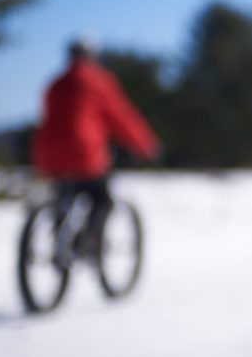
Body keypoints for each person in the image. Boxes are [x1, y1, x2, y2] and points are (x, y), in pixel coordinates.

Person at [31, 35, 158, 255]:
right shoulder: (98, 81)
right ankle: (90, 241)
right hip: (84, 153)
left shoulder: (55, 83)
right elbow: (121, 117)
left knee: (64, 195)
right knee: (101, 200)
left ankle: (58, 236)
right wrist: (146, 145)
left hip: (48, 153)